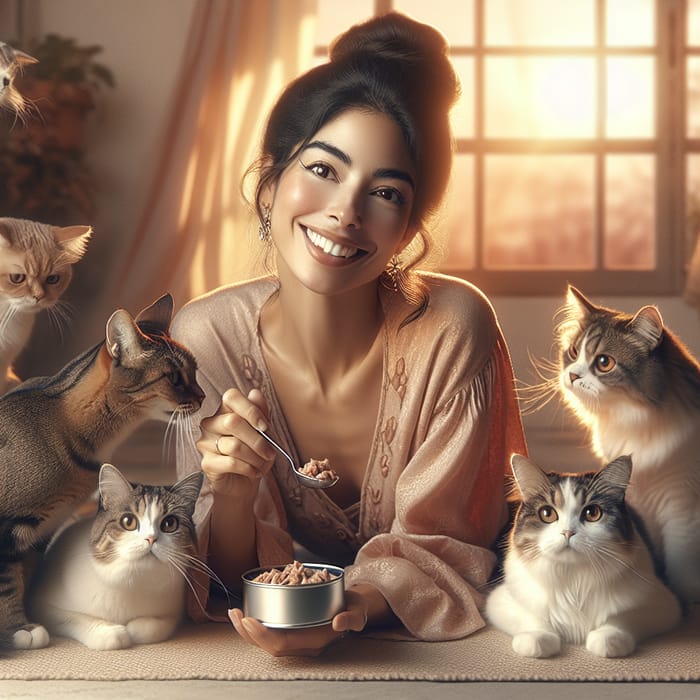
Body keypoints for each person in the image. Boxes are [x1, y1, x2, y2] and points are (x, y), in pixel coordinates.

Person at [171, 11, 527, 657]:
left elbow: (450, 544)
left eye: (386, 192)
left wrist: (348, 609)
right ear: (272, 179)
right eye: (324, 169)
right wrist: (230, 490)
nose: (346, 212)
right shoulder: (207, 337)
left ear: (409, 226)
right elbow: (220, 582)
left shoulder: (451, 327)